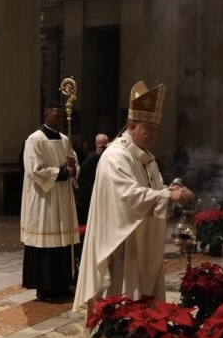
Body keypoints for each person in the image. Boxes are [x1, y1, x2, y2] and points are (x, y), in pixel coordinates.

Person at [73, 81, 194, 310]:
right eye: (148, 128)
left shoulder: (145, 157)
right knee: (124, 296)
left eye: (156, 129)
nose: (153, 135)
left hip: (144, 239)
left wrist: (172, 190)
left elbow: (155, 188)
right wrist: (168, 196)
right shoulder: (115, 156)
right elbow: (128, 196)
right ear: (131, 126)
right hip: (122, 243)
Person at [21, 102, 81, 302]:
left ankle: (62, 284)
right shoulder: (34, 140)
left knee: (62, 243)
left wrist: (73, 169)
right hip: (44, 199)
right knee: (45, 243)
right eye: (56, 116)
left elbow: (75, 164)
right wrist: (63, 172)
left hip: (62, 198)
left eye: (62, 117)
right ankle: (44, 288)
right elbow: (34, 170)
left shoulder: (65, 139)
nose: (60, 120)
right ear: (45, 115)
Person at [75, 133, 108, 224]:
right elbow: (84, 169)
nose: (103, 148)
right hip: (90, 193)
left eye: (105, 145)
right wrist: (97, 154)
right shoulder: (89, 157)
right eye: (100, 145)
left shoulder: (110, 156)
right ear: (96, 144)